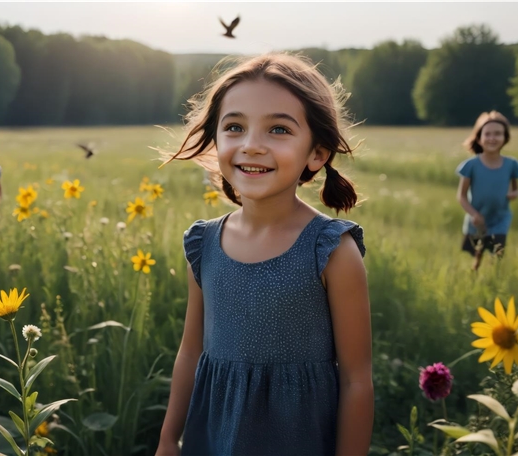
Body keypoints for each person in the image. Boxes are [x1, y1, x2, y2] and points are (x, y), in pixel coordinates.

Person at [155, 53, 374, 456]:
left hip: (298, 438)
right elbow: (191, 352)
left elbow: (357, 379)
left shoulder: (332, 251)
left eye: (278, 129)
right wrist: (169, 440)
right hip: (214, 438)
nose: (252, 146)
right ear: (217, 138)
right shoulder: (203, 245)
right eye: (235, 126)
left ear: (318, 154)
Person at [456, 111, 518, 271]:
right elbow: (461, 196)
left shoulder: (512, 164)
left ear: (505, 138)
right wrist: (474, 214)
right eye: (487, 134)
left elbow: (516, 189)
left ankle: (494, 278)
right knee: (476, 252)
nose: (492, 138)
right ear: (479, 138)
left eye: (498, 134)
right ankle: (474, 274)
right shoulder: (470, 166)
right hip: (477, 218)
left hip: (500, 218)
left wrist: (514, 194)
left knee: (497, 252)